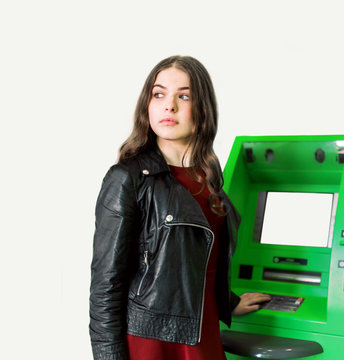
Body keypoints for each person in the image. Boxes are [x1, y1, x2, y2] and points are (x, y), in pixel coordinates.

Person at [89, 55, 270, 360]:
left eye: (183, 96)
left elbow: (195, 263)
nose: (168, 106)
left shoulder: (208, 179)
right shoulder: (129, 178)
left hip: (203, 333)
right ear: (147, 104)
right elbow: (106, 286)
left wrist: (229, 301)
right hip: (151, 341)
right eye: (159, 94)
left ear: (203, 109)